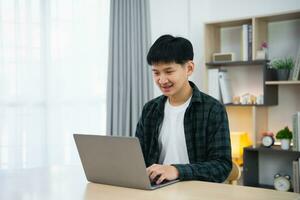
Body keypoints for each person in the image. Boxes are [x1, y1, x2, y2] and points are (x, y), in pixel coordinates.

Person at [135, 34, 232, 185]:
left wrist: (176, 170)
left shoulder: (213, 109)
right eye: (156, 73)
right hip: (156, 191)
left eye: (169, 71)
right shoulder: (150, 109)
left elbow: (222, 166)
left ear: (189, 68)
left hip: (196, 192)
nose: (162, 80)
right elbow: (137, 158)